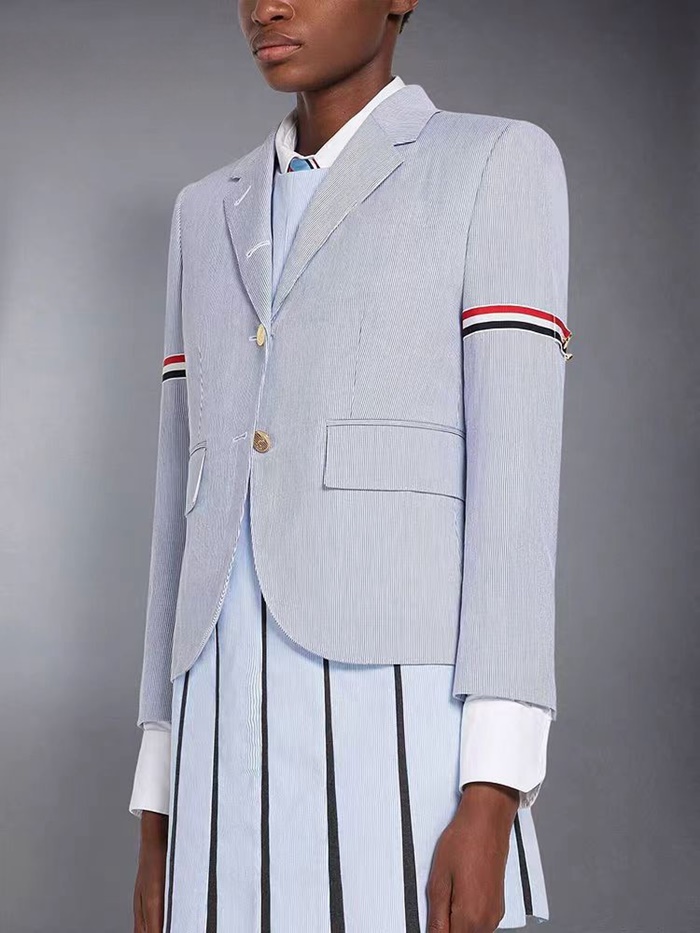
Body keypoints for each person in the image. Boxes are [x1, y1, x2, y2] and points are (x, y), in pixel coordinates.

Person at [130, 2, 571, 931]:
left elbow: (516, 496)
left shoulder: (495, 164)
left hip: (402, 719)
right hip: (219, 724)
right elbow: (180, 509)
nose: (266, 6)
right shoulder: (204, 211)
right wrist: (158, 809)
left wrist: (494, 790)